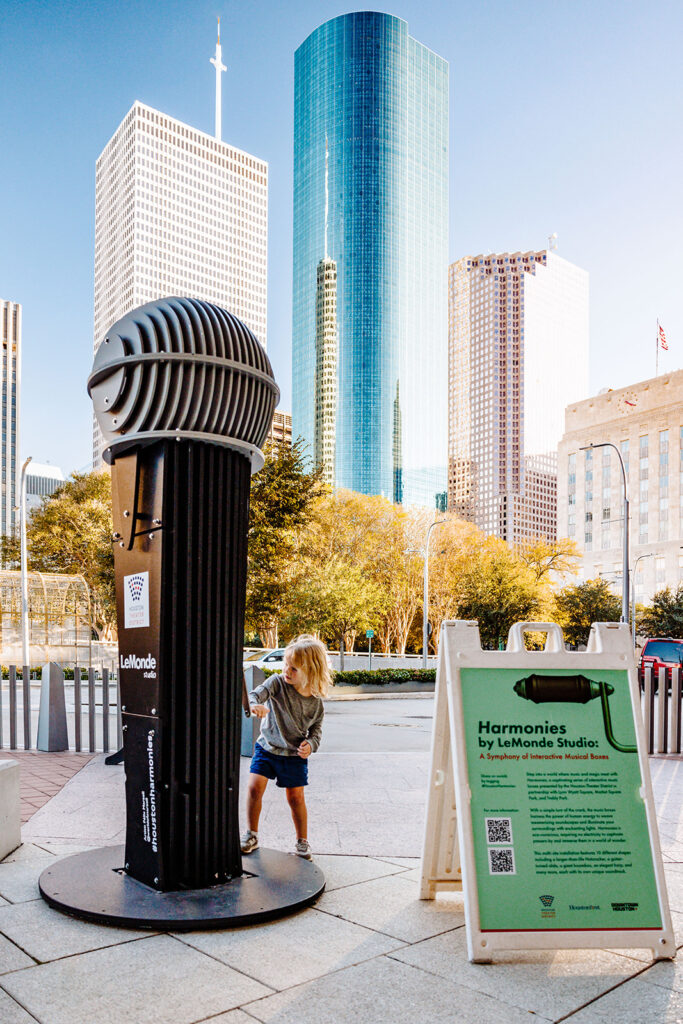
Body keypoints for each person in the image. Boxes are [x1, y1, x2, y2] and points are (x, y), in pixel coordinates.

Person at [241, 634, 331, 860]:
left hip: (293, 756)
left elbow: (316, 732)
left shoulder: (316, 704)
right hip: (267, 747)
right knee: (254, 788)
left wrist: (310, 745)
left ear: (310, 672)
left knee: (296, 798)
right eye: (285, 666)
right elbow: (255, 694)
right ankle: (251, 834)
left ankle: (302, 841)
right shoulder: (277, 683)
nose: (286, 672)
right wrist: (255, 705)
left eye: (293, 669)